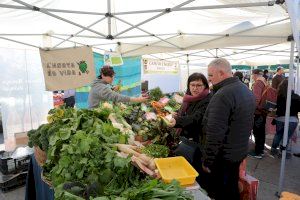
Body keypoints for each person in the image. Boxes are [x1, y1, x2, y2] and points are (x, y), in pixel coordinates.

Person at [201, 58, 255, 200]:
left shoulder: (223, 94)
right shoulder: (245, 90)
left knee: (222, 191)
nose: (209, 79)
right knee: (231, 187)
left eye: (211, 75)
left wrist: (208, 160)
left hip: (223, 157)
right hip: (237, 153)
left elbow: (214, 132)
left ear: (221, 73)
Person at [168, 73, 212, 182]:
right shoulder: (189, 98)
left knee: (196, 171)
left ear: (205, 86)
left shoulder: (208, 99)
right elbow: (185, 112)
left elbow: (196, 118)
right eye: (192, 85)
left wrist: (177, 121)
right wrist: (177, 114)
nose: (195, 88)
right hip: (187, 139)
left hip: (198, 141)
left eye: (199, 85)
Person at [271, 79, 300, 158]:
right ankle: (282, 152)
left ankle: (273, 150)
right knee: (286, 137)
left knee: (278, 134)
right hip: (292, 120)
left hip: (280, 118)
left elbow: (274, 107)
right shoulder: (296, 97)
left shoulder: (279, 96)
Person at [249, 69, 268, 159]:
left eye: (252, 75)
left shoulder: (257, 83)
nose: (252, 77)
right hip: (263, 111)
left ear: (255, 74)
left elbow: (256, 98)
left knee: (257, 132)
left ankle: (258, 152)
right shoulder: (264, 81)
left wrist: (251, 110)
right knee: (261, 132)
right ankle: (261, 150)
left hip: (258, 112)